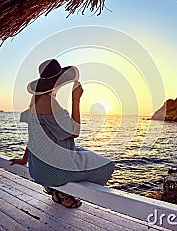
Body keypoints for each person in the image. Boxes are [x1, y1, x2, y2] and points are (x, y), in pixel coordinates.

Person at [10, 59, 115, 209]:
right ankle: (64, 192)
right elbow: (74, 132)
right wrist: (76, 98)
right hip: (54, 171)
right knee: (108, 165)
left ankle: (56, 190)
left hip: (38, 169)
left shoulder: (35, 103)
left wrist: (24, 160)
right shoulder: (49, 102)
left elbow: (33, 139)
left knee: (81, 152)